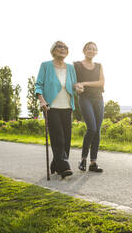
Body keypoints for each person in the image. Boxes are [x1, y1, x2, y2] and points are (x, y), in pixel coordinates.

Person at [35, 41, 82, 178]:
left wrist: (77, 87)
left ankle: (56, 163)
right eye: (59, 47)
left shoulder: (70, 68)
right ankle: (64, 167)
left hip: (67, 106)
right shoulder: (46, 66)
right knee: (58, 138)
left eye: (65, 47)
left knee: (66, 139)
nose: (63, 49)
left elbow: (73, 84)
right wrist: (41, 100)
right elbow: (38, 84)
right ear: (53, 50)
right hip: (51, 107)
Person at [74, 41, 105, 172]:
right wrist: (77, 87)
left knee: (97, 130)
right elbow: (73, 82)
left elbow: (101, 82)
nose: (91, 51)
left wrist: (85, 83)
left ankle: (93, 162)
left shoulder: (99, 66)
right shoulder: (76, 65)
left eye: (93, 49)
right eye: (88, 48)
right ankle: (83, 159)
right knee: (91, 128)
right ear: (84, 50)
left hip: (98, 98)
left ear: (96, 52)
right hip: (85, 98)